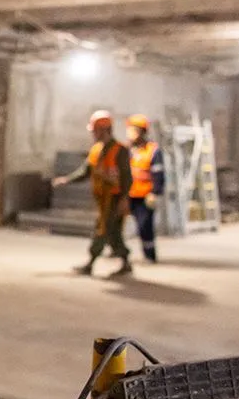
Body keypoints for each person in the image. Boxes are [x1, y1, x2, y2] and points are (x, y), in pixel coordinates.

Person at [53, 109, 134, 277]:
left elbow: (127, 176)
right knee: (114, 232)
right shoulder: (96, 150)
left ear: (105, 130)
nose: (93, 134)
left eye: (95, 130)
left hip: (115, 197)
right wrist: (66, 179)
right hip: (103, 198)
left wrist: (124, 199)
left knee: (102, 229)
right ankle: (125, 261)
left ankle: (90, 263)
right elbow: (86, 171)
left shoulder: (120, 150)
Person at [127, 113, 165, 263]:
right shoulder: (128, 150)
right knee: (116, 222)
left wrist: (154, 193)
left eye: (133, 130)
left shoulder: (153, 151)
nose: (130, 134)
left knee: (145, 225)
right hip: (129, 193)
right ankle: (117, 251)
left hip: (145, 194)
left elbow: (158, 174)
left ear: (141, 132)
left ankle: (150, 255)